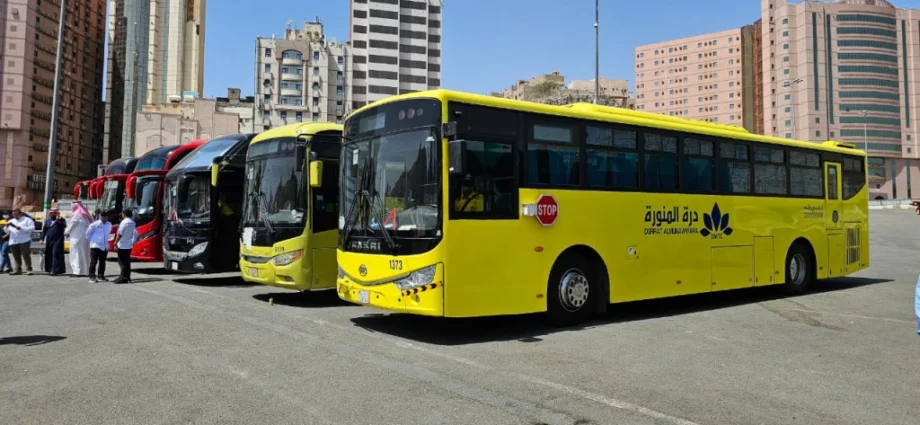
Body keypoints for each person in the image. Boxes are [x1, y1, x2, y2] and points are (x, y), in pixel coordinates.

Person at [65, 201, 92, 277]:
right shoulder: (85, 216)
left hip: (76, 238)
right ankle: (84, 271)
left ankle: (77, 272)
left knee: (76, 254)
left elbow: (71, 225)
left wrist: (66, 232)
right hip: (84, 239)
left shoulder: (77, 215)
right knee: (84, 254)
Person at [5, 208, 35, 275]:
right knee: (16, 256)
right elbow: (7, 231)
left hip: (24, 240)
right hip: (13, 241)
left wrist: (21, 228)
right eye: (13, 215)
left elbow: (32, 228)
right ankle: (18, 270)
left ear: (20, 213)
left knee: (25, 255)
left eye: (16, 214)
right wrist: (6, 227)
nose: (15, 216)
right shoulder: (11, 221)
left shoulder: (27, 220)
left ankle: (29, 269)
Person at [86, 210, 112, 283]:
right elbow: (88, 234)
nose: (104, 218)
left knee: (102, 262)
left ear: (107, 217)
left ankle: (101, 276)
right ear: (100, 216)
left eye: (105, 216)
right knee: (94, 262)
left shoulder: (109, 224)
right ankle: (92, 276)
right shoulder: (94, 224)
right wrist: (93, 241)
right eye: (102, 216)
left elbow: (109, 234)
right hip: (95, 246)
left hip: (104, 246)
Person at [113, 208, 137, 284]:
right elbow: (135, 233)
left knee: (122, 262)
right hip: (129, 244)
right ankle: (127, 276)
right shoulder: (133, 222)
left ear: (124, 214)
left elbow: (120, 234)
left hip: (122, 244)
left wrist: (115, 242)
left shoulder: (123, 222)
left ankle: (123, 277)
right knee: (127, 261)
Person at [42, 208, 67, 276]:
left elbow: (64, 226)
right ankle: (50, 269)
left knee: (55, 254)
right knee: (49, 254)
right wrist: (42, 239)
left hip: (58, 240)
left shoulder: (61, 220)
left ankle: (55, 270)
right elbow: (44, 230)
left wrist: (58, 220)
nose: (52, 214)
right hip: (49, 240)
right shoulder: (48, 221)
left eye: (54, 213)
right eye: (51, 213)